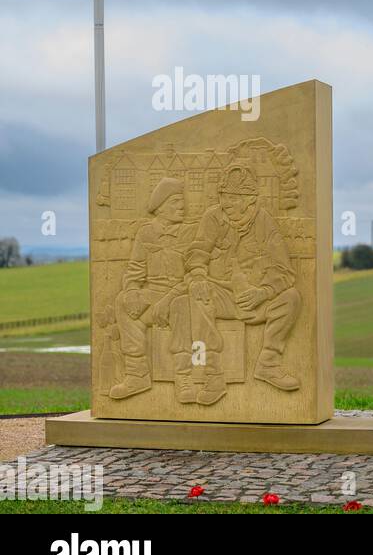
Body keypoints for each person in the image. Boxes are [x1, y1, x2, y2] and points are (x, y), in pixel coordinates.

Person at [184, 164, 301, 406]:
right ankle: (212, 375)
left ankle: (268, 364)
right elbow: (198, 251)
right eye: (223, 196)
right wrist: (197, 276)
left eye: (233, 198)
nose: (226, 203)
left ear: (249, 200)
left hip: (256, 299)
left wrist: (263, 292)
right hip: (221, 294)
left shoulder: (264, 222)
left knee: (291, 298)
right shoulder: (213, 217)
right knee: (198, 295)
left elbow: (284, 271)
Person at [111, 178, 194, 400]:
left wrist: (168, 299)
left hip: (181, 295)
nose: (182, 206)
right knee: (121, 301)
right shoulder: (146, 233)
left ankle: (184, 377)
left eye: (182, 202)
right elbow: (135, 269)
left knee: (180, 305)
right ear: (162, 206)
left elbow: (196, 274)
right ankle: (137, 375)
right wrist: (130, 292)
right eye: (176, 202)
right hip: (153, 296)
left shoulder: (190, 233)